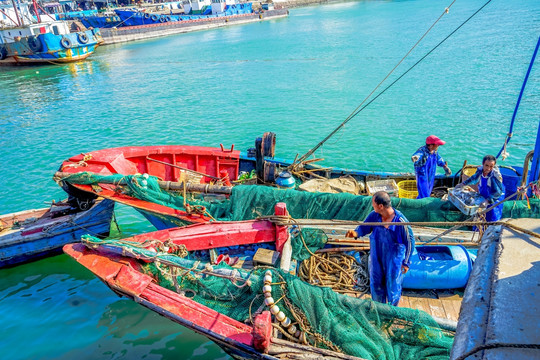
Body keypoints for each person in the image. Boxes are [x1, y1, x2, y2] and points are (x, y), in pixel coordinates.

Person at [345, 191, 414, 306]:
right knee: (376, 283)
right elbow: (364, 227)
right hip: (376, 257)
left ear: (380, 206)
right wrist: (355, 233)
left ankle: (391, 311)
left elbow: (410, 242)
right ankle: (378, 309)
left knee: (392, 285)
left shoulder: (400, 222)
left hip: (393, 260)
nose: (373, 206)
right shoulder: (374, 216)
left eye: (373, 203)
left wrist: (406, 262)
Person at [456, 155, 505, 221]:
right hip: (483, 194)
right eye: (486, 165)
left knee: (491, 217)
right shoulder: (480, 170)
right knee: (479, 216)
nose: (488, 168)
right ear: (483, 164)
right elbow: (474, 178)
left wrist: (487, 201)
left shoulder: (495, 176)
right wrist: (463, 184)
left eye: (491, 166)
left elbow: (497, 192)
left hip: (495, 197)